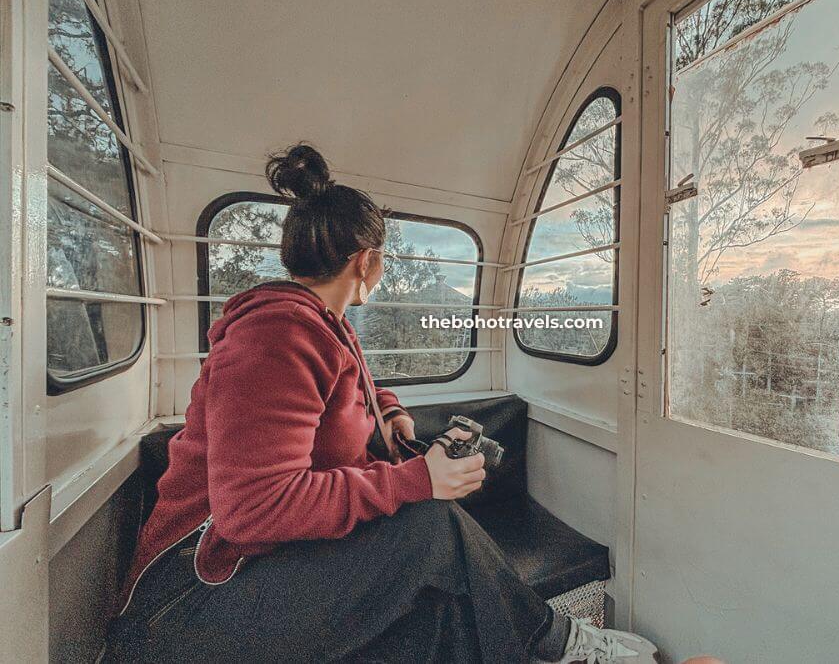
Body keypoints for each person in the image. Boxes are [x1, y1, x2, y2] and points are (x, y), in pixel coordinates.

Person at [101, 143, 658, 663]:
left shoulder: (326, 325)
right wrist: (416, 480)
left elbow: (350, 385)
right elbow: (253, 511)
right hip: (198, 594)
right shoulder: (274, 337)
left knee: (441, 605)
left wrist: (389, 415)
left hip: (260, 569)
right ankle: (559, 644)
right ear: (366, 261)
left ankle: (547, 644)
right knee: (432, 526)